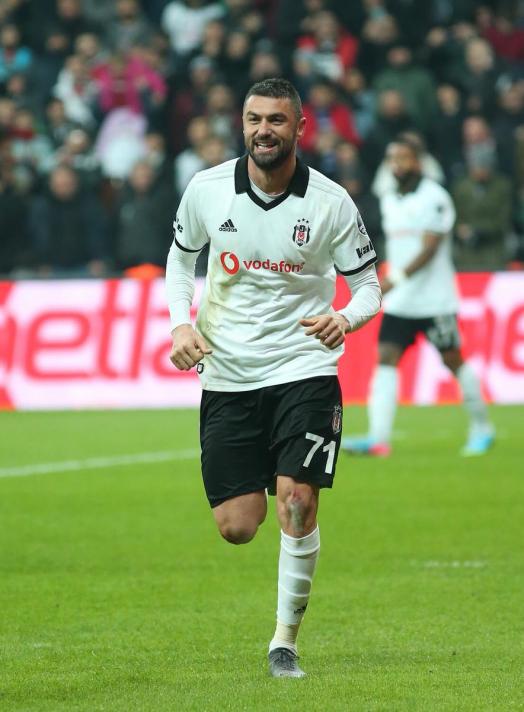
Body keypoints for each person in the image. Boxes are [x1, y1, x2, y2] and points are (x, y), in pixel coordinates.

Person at [165, 77, 381, 678]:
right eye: (255, 119)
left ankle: (284, 641)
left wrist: (345, 318)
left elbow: (368, 286)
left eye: (277, 120)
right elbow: (180, 260)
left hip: (303, 365)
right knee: (237, 527)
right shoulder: (207, 190)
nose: (264, 130)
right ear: (242, 124)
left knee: (297, 503)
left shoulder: (331, 202)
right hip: (228, 371)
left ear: (299, 128)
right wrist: (180, 324)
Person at [342, 137, 495, 458]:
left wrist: (394, 279)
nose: (397, 164)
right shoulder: (389, 199)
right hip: (401, 303)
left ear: (418, 161)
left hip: (434, 301)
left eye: (404, 157)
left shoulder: (434, 197)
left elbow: (429, 249)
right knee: (386, 357)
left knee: (453, 359)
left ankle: (482, 427)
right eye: (393, 158)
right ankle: (378, 438)